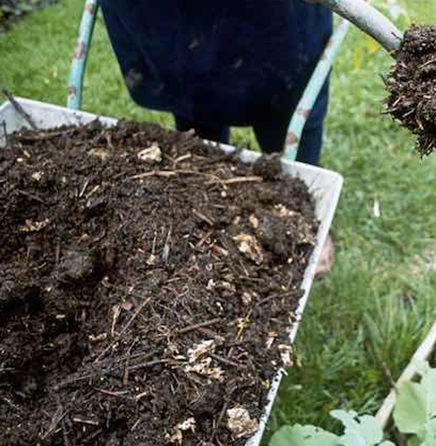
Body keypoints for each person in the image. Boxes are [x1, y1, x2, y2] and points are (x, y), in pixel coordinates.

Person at [100, 0, 335, 274]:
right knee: (195, 111)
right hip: (164, 17)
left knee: (290, 111)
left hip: (279, 22)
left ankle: (304, 214)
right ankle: (214, 213)